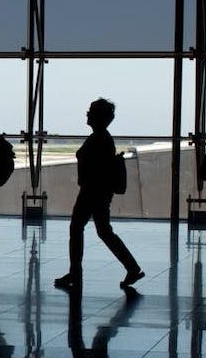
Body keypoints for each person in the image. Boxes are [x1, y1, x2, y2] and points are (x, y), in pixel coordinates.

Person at [54, 98, 145, 290]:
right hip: (99, 192)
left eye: (90, 111)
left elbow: (93, 166)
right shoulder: (103, 137)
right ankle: (131, 267)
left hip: (91, 192)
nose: (87, 114)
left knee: (78, 228)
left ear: (98, 116)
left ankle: (76, 272)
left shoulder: (99, 138)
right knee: (102, 231)